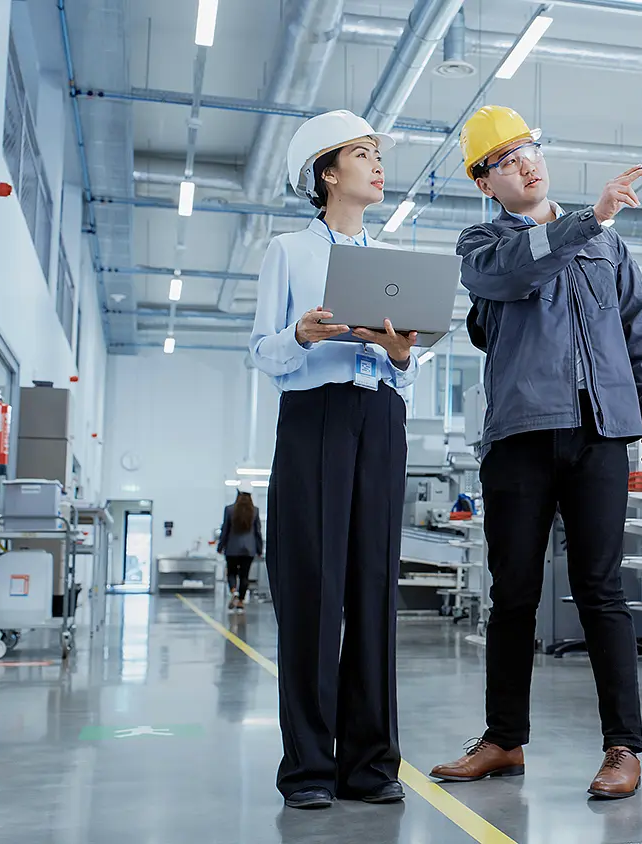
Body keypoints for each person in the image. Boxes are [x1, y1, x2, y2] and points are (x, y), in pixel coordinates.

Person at [429, 105, 642, 800]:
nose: (524, 163)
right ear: (486, 183)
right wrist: (586, 221)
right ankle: (504, 741)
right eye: (504, 159)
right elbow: (512, 275)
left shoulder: (609, 249)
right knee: (514, 594)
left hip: (600, 431)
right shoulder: (481, 244)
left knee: (602, 591)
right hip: (519, 438)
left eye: (528, 148)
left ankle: (623, 748)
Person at [248, 109, 418, 811]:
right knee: (314, 595)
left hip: (379, 416)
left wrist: (404, 356)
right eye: (361, 154)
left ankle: (371, 766)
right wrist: (301, 332)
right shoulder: (287, 252)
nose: (377, 166)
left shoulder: (389, 260)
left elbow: (403, 363)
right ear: (326, 172)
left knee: (375, 591)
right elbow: (263, 350)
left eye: (377, 154)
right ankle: (310, 771)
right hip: (315, 418)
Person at [216, 491, 262, 614]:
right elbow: (258, 532)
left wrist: (220, 546)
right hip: (249, 549)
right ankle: (241, 602)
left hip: (232, 548)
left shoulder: (229, 510)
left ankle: (234, 591)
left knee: (231, 572)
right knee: (244, 576)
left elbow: (225, 530)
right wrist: (259, 549)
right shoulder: (255, 511)